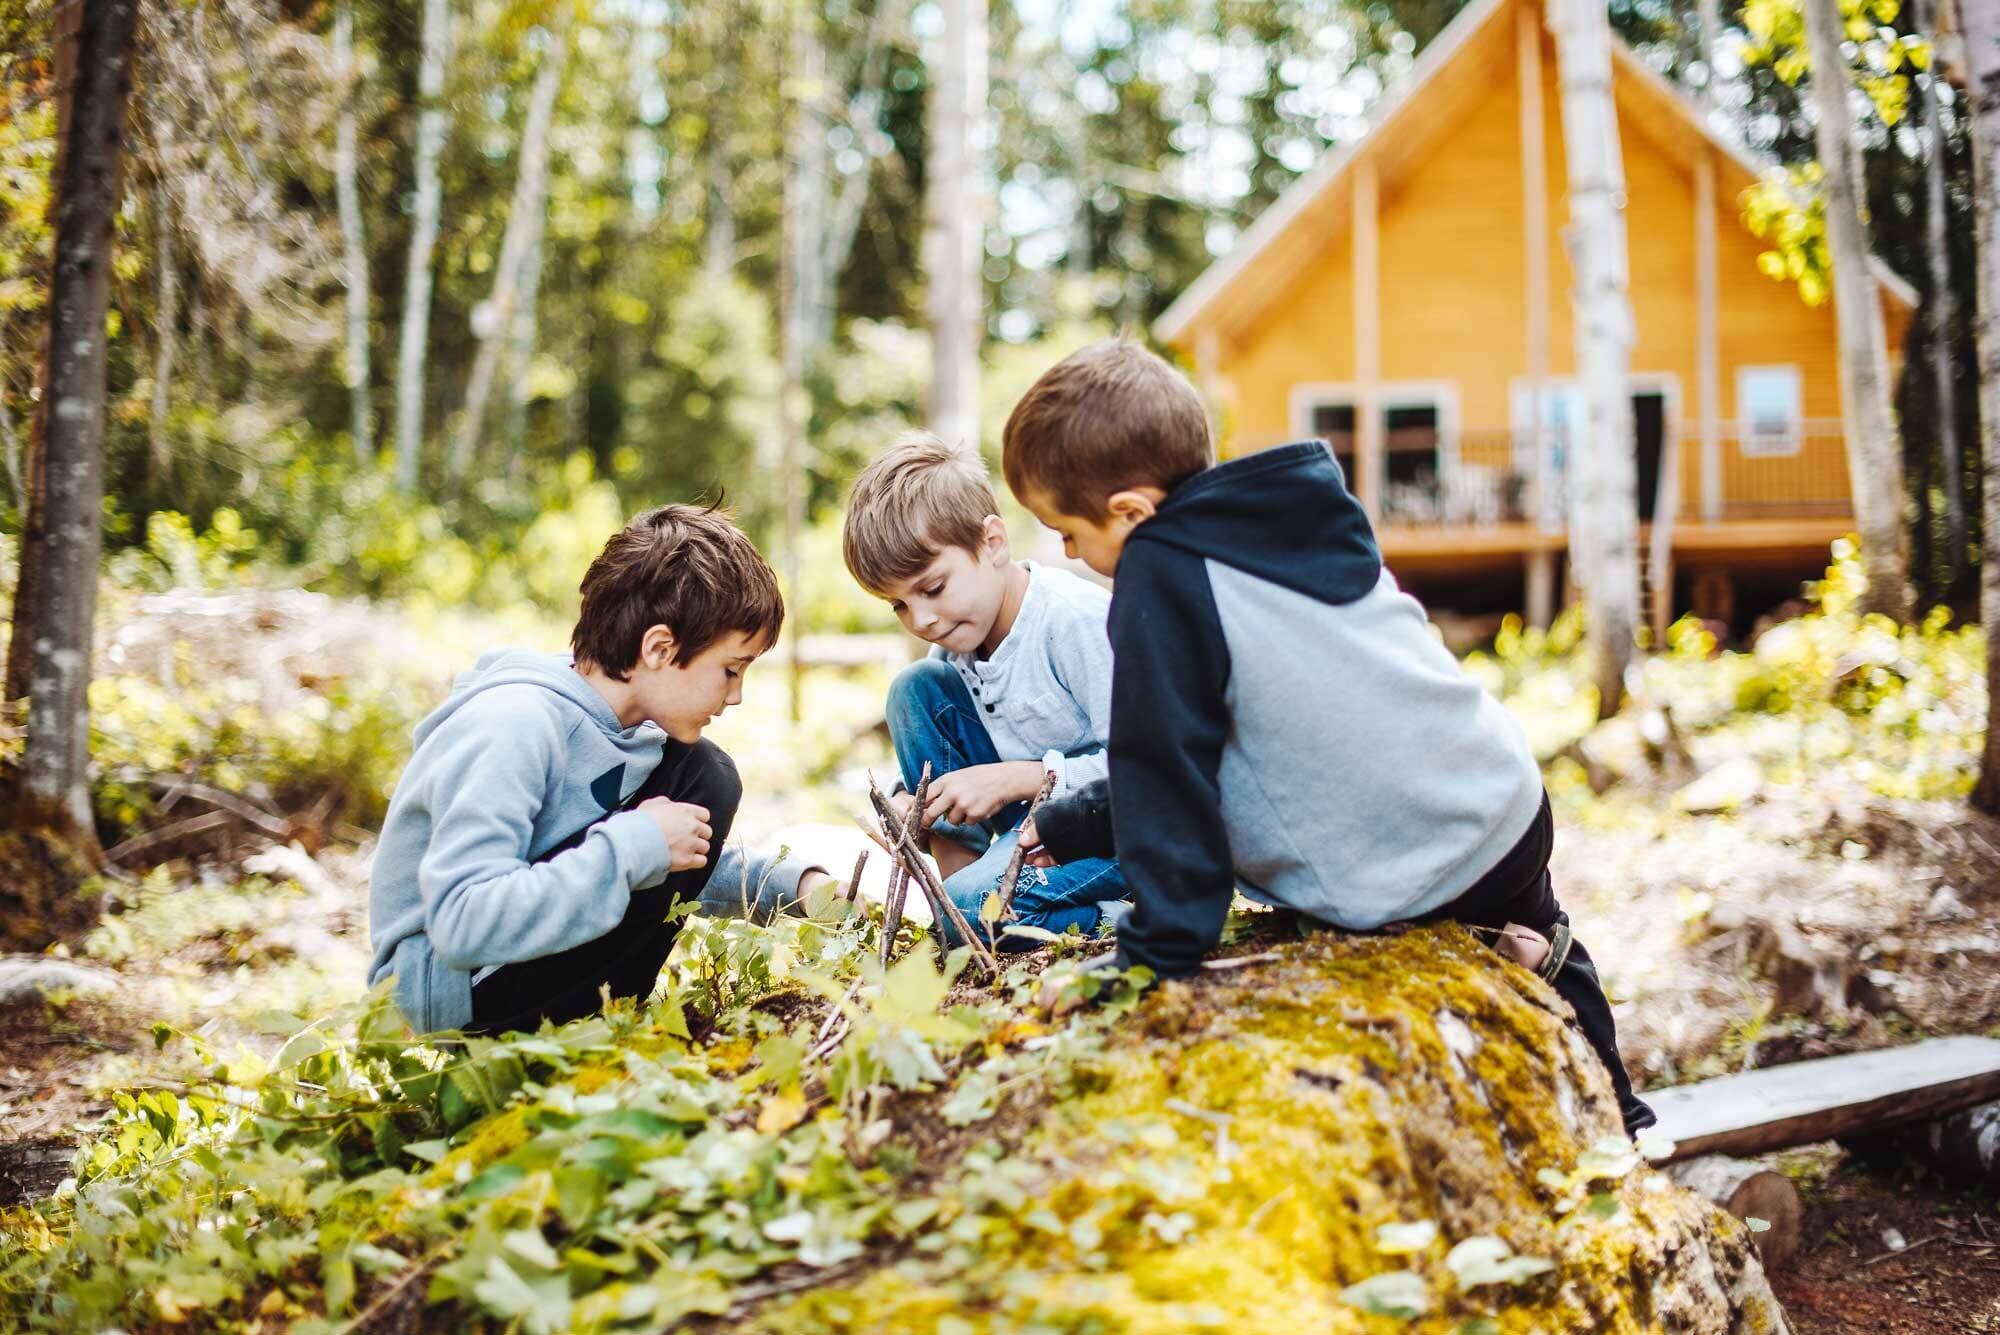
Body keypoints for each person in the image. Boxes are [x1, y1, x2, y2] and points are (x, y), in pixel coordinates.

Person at [1002, 340, 1653, 1135]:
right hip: (1500, 798)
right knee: (1544, 929)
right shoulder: (1288, 521)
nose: (1068, 553)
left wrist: (1155, 951)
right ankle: (1623, 1115)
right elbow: (1282, 730)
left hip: (1419, 863)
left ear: (1132, 512)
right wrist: (1077, 820)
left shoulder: (1161, 575)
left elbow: (1167, 764)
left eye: (1067, 531)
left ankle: (1504, 962)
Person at [367, 503, 818, 1035]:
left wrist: (798, 888)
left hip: (509, 964)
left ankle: (593, 1028)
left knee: (704, 777)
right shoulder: (514, 724)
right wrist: (637, 843)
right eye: (730, 670)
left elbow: (658, 855)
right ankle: (553, 1045)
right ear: (659, 647)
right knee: (703, 778)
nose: (736, 695)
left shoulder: (633, 735)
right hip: (453, 989)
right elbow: (462, 922)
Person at [842, 432, 1129, 948]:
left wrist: (1019, 778)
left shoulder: (1073, 622)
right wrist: (910, 801)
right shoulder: (956, 642)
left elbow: (1149, 769)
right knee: (915, 688)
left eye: (932, 588)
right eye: (899, 605)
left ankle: (1121, 917)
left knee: (971, 912)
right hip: (1029, 830)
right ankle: (961, 896)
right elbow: (938, 748)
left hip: (1114, 833)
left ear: (992, 543)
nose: (921, 619)